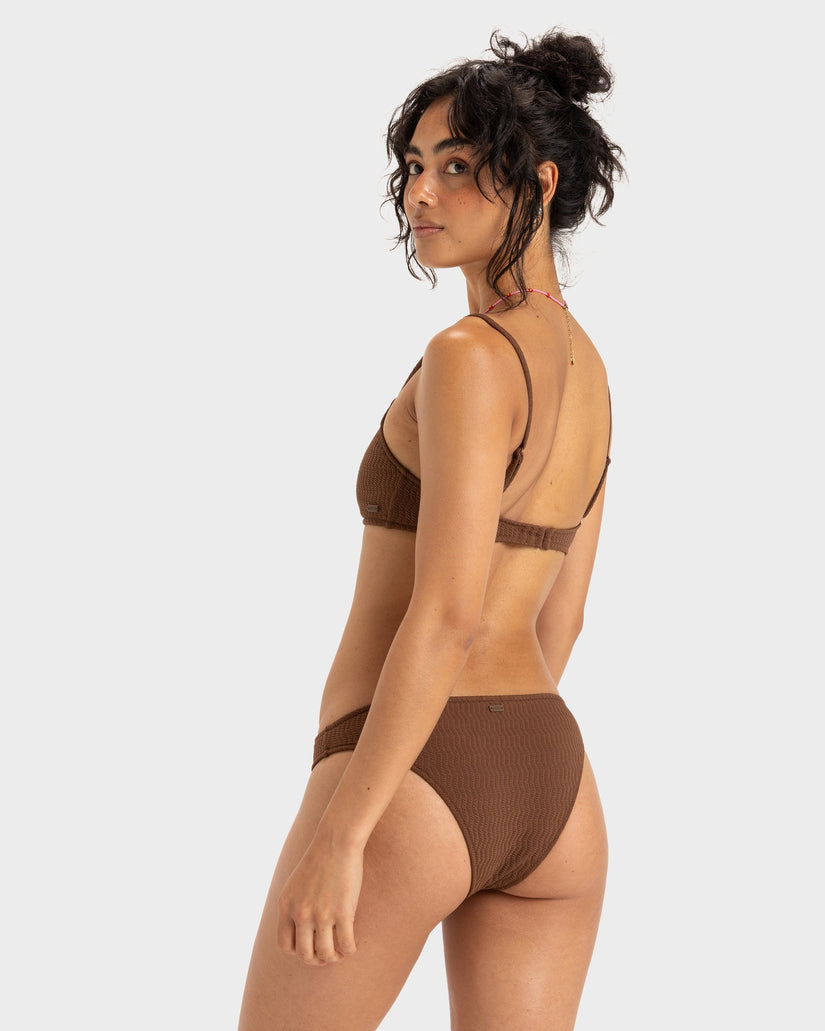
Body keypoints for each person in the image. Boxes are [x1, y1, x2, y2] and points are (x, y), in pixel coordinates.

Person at [238, 28, 624, 1031]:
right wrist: (499, 768)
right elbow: (564, 616)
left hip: (413, 766)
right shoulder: (590, 371)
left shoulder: (468, 355)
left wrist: (345, 833)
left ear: (539, 181)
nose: (419, 193)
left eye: (456, 167)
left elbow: (446, 612)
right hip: (552, 779)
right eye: (413, 166)